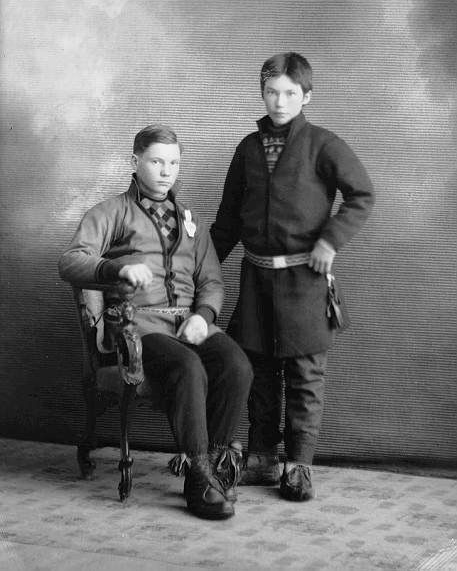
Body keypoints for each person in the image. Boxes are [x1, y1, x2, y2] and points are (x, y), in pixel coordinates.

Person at [59, 123, 253, 520]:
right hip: (137, 327)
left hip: (187, 323)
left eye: (174, 163)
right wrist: (116, 268)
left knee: (237, 365)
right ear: (135, 161)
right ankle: (199, 479)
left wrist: (204, 316)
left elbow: (212, 281)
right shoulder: (110, 212)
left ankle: (211, 468)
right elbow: (70, 261)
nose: (166, 171)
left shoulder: (190, 219)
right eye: (157, 162)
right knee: (188, 366)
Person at [210, 52, 375, 501]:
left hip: (305, 281)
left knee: (304, 376)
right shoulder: (247, 148)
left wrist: (329, 242)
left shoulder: (324, 144)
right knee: (258, 371)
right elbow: (228, 219)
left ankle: (299, 464)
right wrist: (200, 267)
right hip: (256, 281)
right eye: (271, 92)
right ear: (261, 93)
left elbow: (362, 195)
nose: (279, 101)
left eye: (289, 93)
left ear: (307, 95)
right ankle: (262, 457)